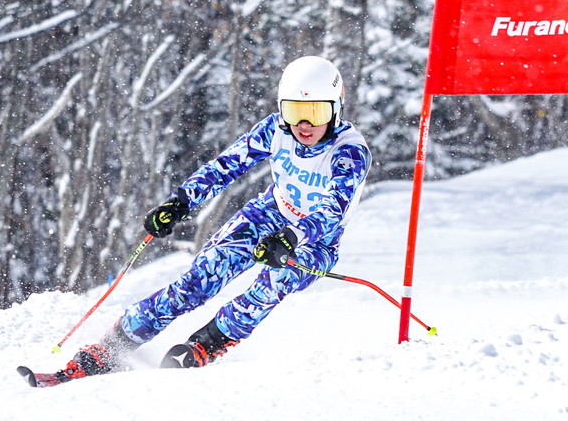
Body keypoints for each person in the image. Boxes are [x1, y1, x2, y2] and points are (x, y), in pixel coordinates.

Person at [23, 56, 370, 386]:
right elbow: (226, 165)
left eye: (315, 111)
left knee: (273, 282)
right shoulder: (275, 132)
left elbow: (332, 208)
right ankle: (114, 345)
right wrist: (181, 202)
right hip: (270, 213)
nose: (304, 124)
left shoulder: (349, 151)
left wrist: (292, 236)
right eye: (294, 111)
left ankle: (209, 341)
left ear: (336, 109)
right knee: (202, 278)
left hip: (315, 238)